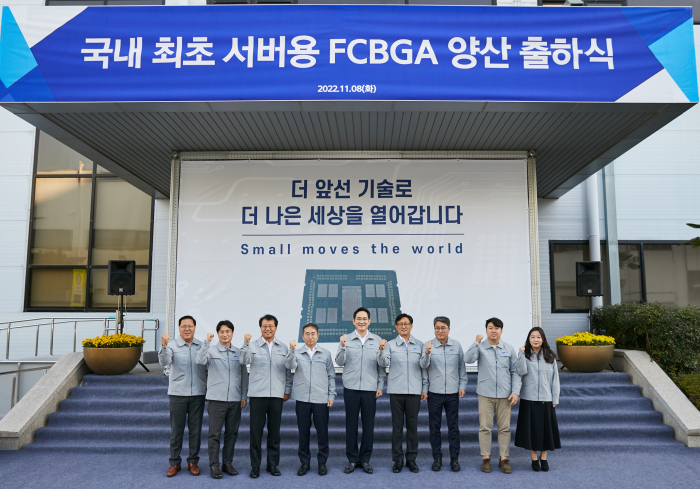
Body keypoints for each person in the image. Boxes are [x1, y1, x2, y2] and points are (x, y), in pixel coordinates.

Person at [465, 317, 522, 474]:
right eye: (490, 327)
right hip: (485, 394)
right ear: (486, 330)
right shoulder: (481, 348)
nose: (494, 330)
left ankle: (504, 459)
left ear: (501, 331)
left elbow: (515, 372)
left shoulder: (508, 349)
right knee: (485, 428)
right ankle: (486, 458)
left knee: (504, 428)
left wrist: (515, 391)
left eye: (497, 328)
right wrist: (475, 343)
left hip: (505, 396)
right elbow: (467, 359)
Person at [240, 314, 292, 479]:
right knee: (255, 433)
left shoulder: (284, 348)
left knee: (274, 433)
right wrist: (245, 344)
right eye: (264, 326)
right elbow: (243, 360)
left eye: (271, 326)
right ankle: (255, 466)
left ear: (276, 328)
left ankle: (272, 465)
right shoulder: (252, 345)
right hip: (257, 395)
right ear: (260, 328)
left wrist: (287, 390)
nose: (267, 328)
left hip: (277, 395)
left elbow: (288, 371)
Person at [196, 320, 249, 479]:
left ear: (232, 333)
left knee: (231, 434)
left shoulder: (239, 352)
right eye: (222, 332)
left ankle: (227, 463)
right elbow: (199, 360)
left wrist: (243, 395)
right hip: (216, 399)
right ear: (218, 334)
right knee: (214, 434)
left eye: (228, 331)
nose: (225, 334)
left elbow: (244, 375)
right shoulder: (210, 351)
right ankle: (214, 465)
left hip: (234, 400)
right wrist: (207, 342)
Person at [335, 307, 386, 474]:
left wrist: (379, 386)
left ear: (369, 321)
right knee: (351, 425)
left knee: (368, 426)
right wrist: (342, 346)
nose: (362, 321)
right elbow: (339, 362)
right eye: (358, 318)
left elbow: (381, 367)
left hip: (370, 389)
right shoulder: (346, 339)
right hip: (351, 389)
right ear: (353, 321)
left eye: (365, 318)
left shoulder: (377, 340)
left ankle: (365, 460)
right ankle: (351, 459)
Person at [378, 313, 428, 474]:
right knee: (397, 427)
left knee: (412, 427)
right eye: (400, 324)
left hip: (414, 391)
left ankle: (411, 459)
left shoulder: (420, 344)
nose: (403, 326)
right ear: (396, 326)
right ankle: (398, 460)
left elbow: (424, 367)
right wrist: (380, 350)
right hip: (396, 391)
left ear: (411, 326)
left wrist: (424, 388)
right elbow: (383, 363)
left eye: (406, 323)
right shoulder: (390, 344)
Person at [159, 315, 207, 477]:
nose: (187, 329)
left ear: (194, 328)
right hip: (178, 394)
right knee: (176, 431)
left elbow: (208, 370)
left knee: (195, 430)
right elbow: (164, 361)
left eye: (190, 326)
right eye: (184, 326)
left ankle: (193, 461)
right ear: (179, 328)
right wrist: (163, 346)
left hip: (198, 394)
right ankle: (174, 462)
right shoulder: (171, 345)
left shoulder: (202, 346)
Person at [285, 323, 336, 476]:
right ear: (303, 336)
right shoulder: (297, 353)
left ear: (317, 335)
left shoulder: (326, 353)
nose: (310, 336)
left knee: (322, 433)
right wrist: (292, 350)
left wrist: (331, 395)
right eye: (307, 334)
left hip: (320, 399)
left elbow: (331, 375)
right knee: (303, 433)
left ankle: (322, 462)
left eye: (313, 333)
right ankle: (304, 462)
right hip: (302, 399)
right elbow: (289, 366)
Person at [419, 316, 467, 472]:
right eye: (437, 328)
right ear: (434, 329)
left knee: (453, 427)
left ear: (449, 329)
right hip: (434, 393)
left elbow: (461, 368)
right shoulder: (428, 346)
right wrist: (426, 352)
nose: (440, 330)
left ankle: (454, 459)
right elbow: (423, 367)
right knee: (435, 428)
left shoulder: (457, 345)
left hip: (453, 393)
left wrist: (462, 385)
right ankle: (437, 458)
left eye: (443, 327)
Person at [515, 327, 561, 472]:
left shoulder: (550, 356)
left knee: (546, 430)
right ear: (529, 339)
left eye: (538, 337)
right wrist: (521, 354)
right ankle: (534, 457)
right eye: (533, 337)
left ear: (543, 339)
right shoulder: (525, 354)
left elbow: (555, 380)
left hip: (546, 399)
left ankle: (544, 457)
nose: (535, 340)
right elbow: (521, 371)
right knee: (531, 431)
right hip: (529, 399)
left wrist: (555, 397)